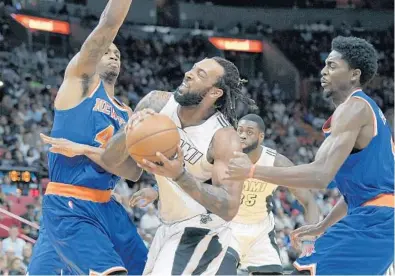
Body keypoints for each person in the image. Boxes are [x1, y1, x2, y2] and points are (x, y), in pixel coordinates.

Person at [225, 36, 394, 275]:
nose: (323, 71)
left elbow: (320, 176)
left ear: (354, 74)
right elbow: (356, 192)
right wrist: (322, 225)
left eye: (332, 66)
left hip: (375, 222)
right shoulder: (360, 112)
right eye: (325, 64)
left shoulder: (354, 108)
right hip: (374, 218)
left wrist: (252, 171)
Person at [28, 1, 148, 274]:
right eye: (107, 50)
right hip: (69, 200)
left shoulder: (127, 113)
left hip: (107, 204)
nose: (113, 54)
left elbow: (133, 172)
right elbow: (108, 24)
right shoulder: (79, 85)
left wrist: (84, 150)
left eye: (118, 53)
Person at [108, 57, 257, 275]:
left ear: (215, 93)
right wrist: (131, 130)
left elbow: (229, 207)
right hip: (168, 227)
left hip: (202, 230)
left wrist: (179, 176)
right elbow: (112, 160)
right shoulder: (156, 104)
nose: (189, 74)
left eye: (201, 75)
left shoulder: (224, 138)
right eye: (193, 69)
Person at [217, 114, 320, 275]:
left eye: (249, 132)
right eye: (240, 131)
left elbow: (309, 201)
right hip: (229, 227)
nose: (243, 135)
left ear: (261, 137)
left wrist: (309, 239)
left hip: (261, 233)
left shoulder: (277, 163)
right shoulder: (223, 156)